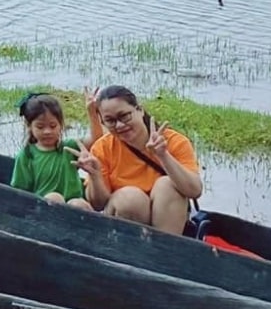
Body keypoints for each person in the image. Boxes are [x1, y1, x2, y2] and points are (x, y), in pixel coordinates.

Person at [78, 85, 202, 234]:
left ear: (140, 110)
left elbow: (195, 190)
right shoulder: (102, 149)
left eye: (124, 116)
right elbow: (97, 205)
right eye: (110, 121)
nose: (120, 125)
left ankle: (163, 251)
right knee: (130, 198)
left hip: (168, 221)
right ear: (103, 123)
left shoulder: (173, 141)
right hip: (128, 218)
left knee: (167, 184)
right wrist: (95, 176)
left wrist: (163, 155)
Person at [9, 93, 93, 209]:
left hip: (74, 203)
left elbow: (96, 139)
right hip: (43, 208)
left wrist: (93, 112)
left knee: (79, 204)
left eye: (53, 126)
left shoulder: (68, 147)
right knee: (54, 198)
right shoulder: (26, 155)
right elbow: (20, 192)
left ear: (60, 125)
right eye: (40, 127)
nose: (47, 131)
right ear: (29, 126)